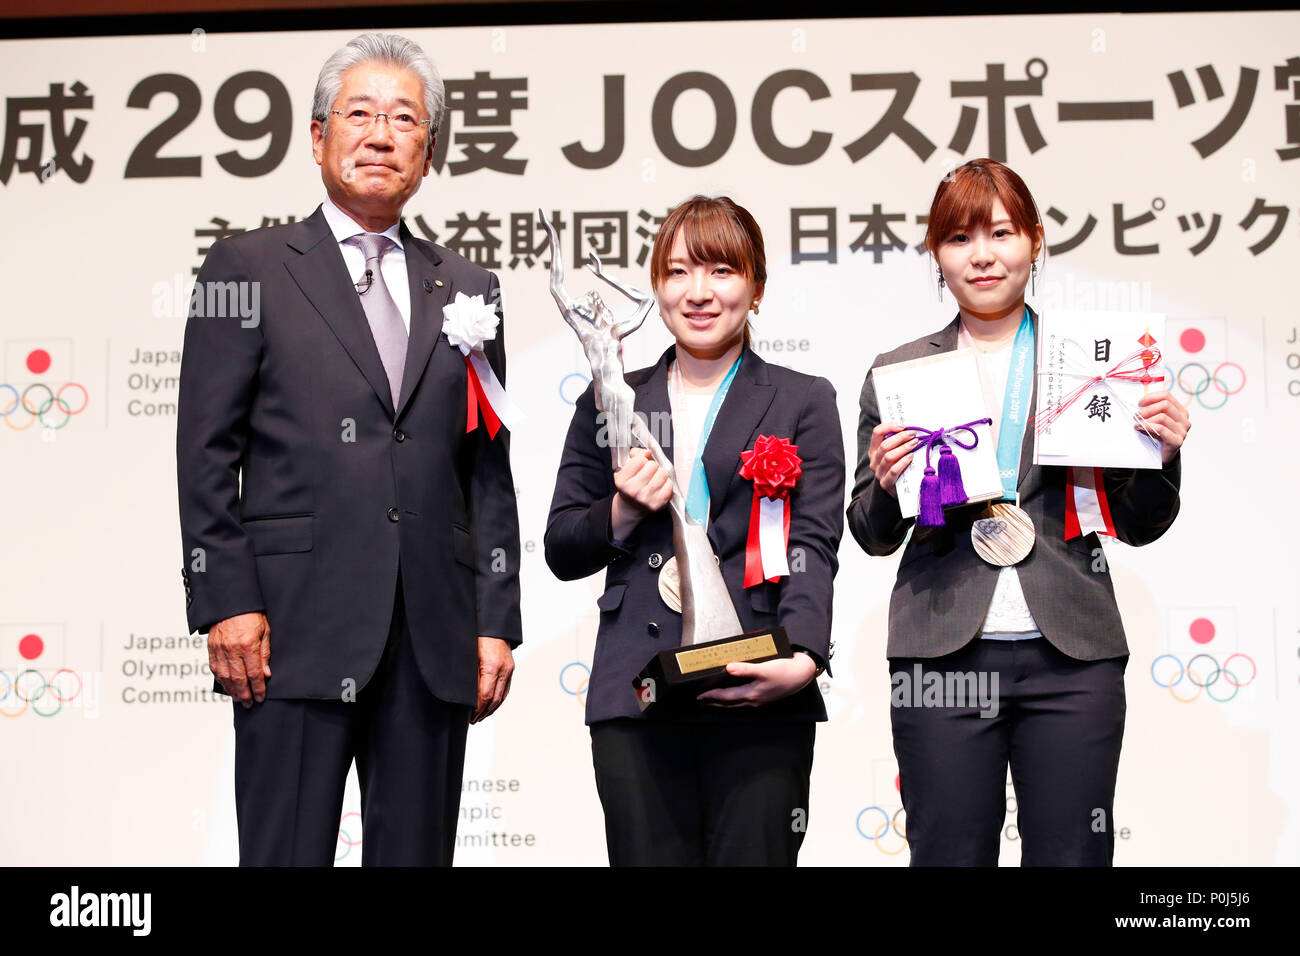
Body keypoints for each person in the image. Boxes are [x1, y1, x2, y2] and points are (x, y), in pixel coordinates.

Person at [176, 32, 522, 866]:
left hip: (433, 632)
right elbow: (204, 454)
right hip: (290, 628)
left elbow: (486, 466)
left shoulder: (470, 289)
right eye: (359, 113)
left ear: (427, 152)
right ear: (318, 135)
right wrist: (225, 601)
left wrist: (496, 621)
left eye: (404, 119)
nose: (379, 134)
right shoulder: (249, 267)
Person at [847, 158, 1190, 866]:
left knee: (1072, 856)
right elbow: (871, 534)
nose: (982, 255)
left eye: (1001, 232)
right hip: (941, 654)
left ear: (1035, 241)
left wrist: (1159, 453)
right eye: (959, 238)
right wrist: (885, 484)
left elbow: (1140, 523)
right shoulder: (901, 372)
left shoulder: (1095, 362)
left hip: (1072, 658)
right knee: (948, 854)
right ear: (936, 255)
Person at [545, 195, 845, 866]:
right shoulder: (613, 397)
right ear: (656, 287)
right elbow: (563, 546)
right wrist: (621, 512)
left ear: (756, 288)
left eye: (722, 271)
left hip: (760, 679)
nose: (699, 292)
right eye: (678, 272)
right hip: (638, 692)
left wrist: (801, 658)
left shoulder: (803, 399)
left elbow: (814, 545)